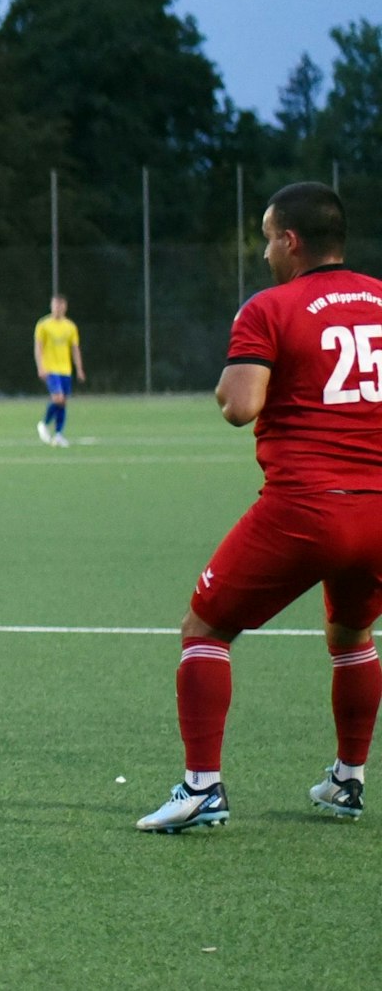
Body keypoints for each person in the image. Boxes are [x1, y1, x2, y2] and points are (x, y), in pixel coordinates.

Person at [137, 182, 382, 833]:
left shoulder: (270, 306)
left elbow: (240, 405)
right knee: (351, 634)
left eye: (269, 238)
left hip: (306, 507)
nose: (265, 251)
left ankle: (202, 788)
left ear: (290, 241)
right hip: (379, 510)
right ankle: (348, 780)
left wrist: (227, 385)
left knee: (204, 628)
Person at [34, 295, 84, 447]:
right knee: (58, 398)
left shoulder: (70, 326)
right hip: (50, 368)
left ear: (65, 307)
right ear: (51, 306)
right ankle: (44, 423)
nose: (58, 308)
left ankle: (58, 435)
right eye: (55, 305)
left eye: (61, 305)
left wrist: (79, 368)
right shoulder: (43, 325)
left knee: (63, 402)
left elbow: (75, 348)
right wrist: (40, 366)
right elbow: (38, 347)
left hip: (65, 369)